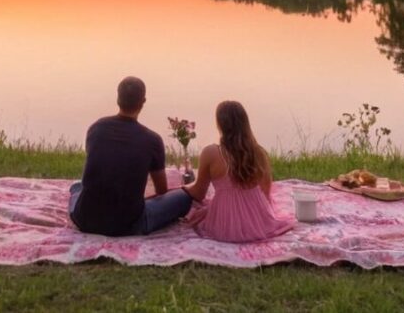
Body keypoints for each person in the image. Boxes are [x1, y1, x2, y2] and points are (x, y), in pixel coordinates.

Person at [69, 76, 192, 236]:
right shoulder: (152, 140)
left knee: (77, 186)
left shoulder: (96, 128)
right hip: (129, 225)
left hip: (84, 220)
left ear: (118, 98)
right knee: (184, 198)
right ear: (143, 102)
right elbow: (161, 190)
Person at [182, 100, 295, 242]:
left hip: (224, 225)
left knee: (199, 207)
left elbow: (199, 192)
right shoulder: (259, 153)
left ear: (220, 125)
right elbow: (266, 192)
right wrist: (260, 217)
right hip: (257, 222)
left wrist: (182, 189)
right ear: (245, 123)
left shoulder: (210, 152)